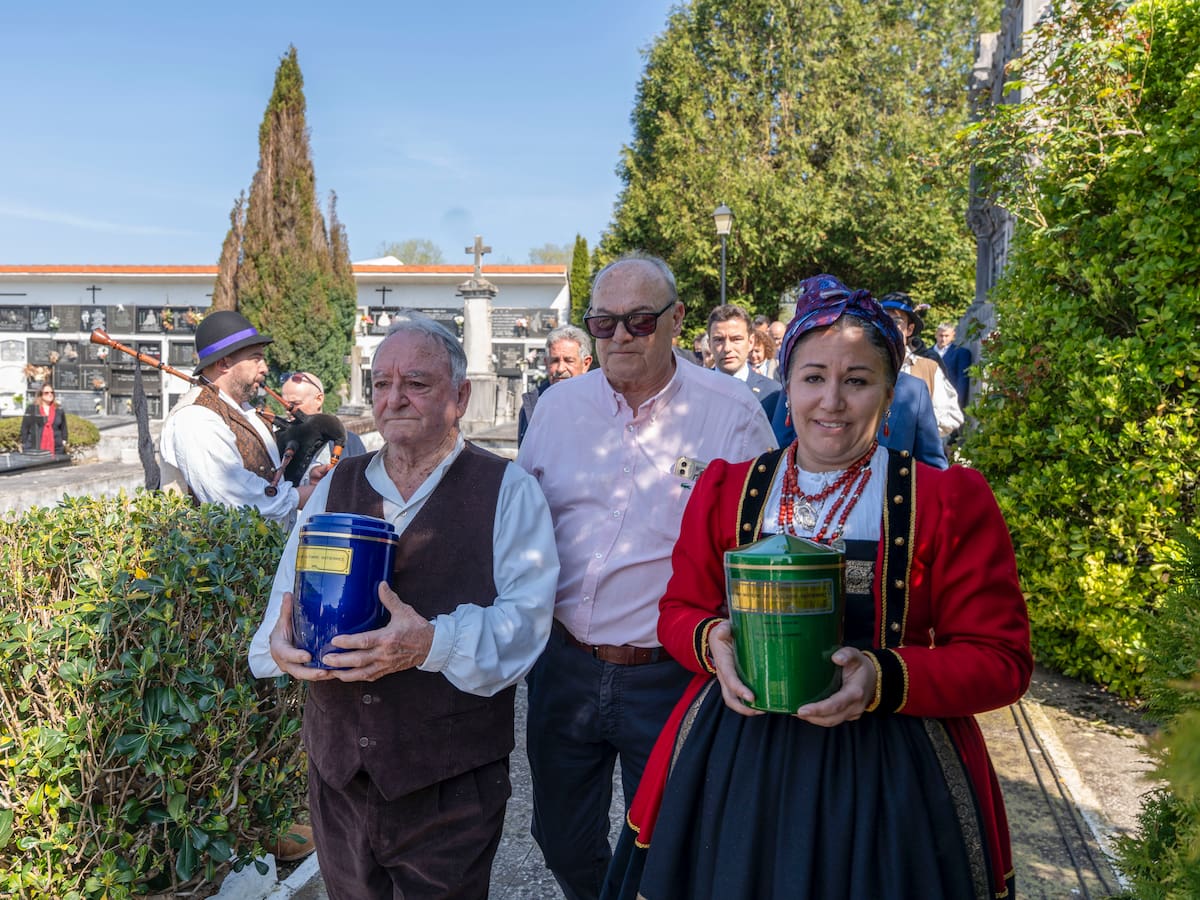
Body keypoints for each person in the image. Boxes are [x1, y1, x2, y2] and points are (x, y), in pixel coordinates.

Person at [602, 275, 1032, 900]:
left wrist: (882, 677)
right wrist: (711, 640)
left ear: (889, 394)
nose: (831, 400)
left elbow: (1002, 661)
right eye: (812, 378)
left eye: (856, 380)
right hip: (735, 759)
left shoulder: (948, 502)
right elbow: (679, 610)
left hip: (893, 773)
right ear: (787, 385)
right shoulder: (728, 489)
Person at [249, 314, 559, 899]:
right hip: (338, 773)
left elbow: (525, 627)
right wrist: (279, 646)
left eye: (416, 383)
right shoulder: (336, 485)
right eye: (381, 383)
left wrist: (429, 644)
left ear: (459, 396)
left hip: (448, 782)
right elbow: (286, 594)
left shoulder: (508, 490)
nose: (394, 399)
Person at [518, 253, 777, 900]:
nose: (620, 337)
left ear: (676, 320)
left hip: (671, 673)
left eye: (638, 320)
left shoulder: (732, 412)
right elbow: (517, 521)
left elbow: (766, 543)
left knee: (668, 843)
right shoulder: (558, 407)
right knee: (559, 838)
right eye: (603, 324)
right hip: (565, 666)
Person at [159, 311, 316, 525]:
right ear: (224, 364)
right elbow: (232, 497)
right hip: (212, 557)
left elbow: (269, 478)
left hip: (264, 555)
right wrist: (299, 496)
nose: (265, 368)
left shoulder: (247, 412)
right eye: (256, 359)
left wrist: (307, 480)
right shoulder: (196, 417)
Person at [880, 293, 963, 439]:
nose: (890, 327)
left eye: (897, 321)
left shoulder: (929, 367)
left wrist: (915, 432)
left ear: (909, 329)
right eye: (884, 320)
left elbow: (951, 417)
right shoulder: (858, 365)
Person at [279, 370, 368, 484]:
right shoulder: (278, 443)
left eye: (295, 403)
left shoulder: (351, 443)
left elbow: (363, 489)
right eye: (285, 404)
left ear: (319, 399)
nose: (288, 411)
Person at [517, 324, 594, 446]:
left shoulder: (603, 404)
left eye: (569, 360)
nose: (560, 369)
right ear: (546, 363)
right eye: (554, 361)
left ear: (586, 364)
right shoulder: (532, 405)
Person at [707, 304, 781, 419]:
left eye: (736, 339)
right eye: (719, 340)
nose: (727, 348)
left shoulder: (773, 393)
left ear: (750, 342)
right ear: (709, 344)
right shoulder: (693, 391)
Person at [934, 321, 973, 410]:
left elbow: (962, 380)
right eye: (941, 335)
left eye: (946, 336)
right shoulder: (926, 353)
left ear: (953, 336)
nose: (943, 339)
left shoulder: (961, 353)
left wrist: (958, 404)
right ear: (936, 334)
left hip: (949, 401)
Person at [20, 383, 67, 455]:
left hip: (56, 447)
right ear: (40, 394)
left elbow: (63, 427)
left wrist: (64, 440)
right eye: (46, 393)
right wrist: (24, 442)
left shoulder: (59, 409)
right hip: (35, 446)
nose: (50, 394)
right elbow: (25, 427)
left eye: (52, 392)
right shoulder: (32, 408)